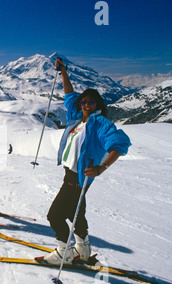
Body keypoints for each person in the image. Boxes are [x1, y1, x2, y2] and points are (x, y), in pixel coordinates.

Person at [41, 58, 132, 265]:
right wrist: (63, 71)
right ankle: (82, 250)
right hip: (72, 174)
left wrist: (102, 167)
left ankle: (64, 252)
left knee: (55, 215)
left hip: (79, 176)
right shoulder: (76, 117)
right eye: (84, 102)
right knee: (76, 213)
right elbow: (69, 95)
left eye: (91, 102)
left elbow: (120, 144)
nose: (87, 105)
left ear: (98, 104)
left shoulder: (100, 123)